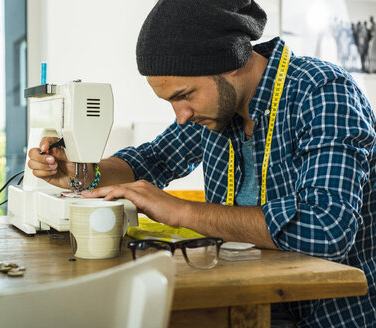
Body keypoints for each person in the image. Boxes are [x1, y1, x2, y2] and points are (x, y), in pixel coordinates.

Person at [28, 0, 376, 326]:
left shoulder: (324, 93)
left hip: (330, 316)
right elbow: (153, 159)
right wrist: (83, 171)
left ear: (233, 64)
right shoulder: (216, 112)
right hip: (247, 301)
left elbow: (327, 228)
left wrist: (180, 211)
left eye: (184, 95)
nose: (181, 116)